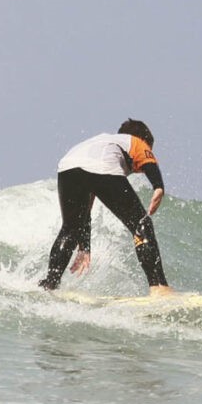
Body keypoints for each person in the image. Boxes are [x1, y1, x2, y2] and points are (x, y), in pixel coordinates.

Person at [38, 119, 172, 295]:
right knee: (141, 223)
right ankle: (159, 287)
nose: (138, 170)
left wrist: (84, 247)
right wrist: (158, 186)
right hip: (99, 167)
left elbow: (85, 212)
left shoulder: (101, 143)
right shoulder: (134, 140)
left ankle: (50, 284)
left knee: (69, 229)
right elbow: (149, 163)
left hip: (67, 167)